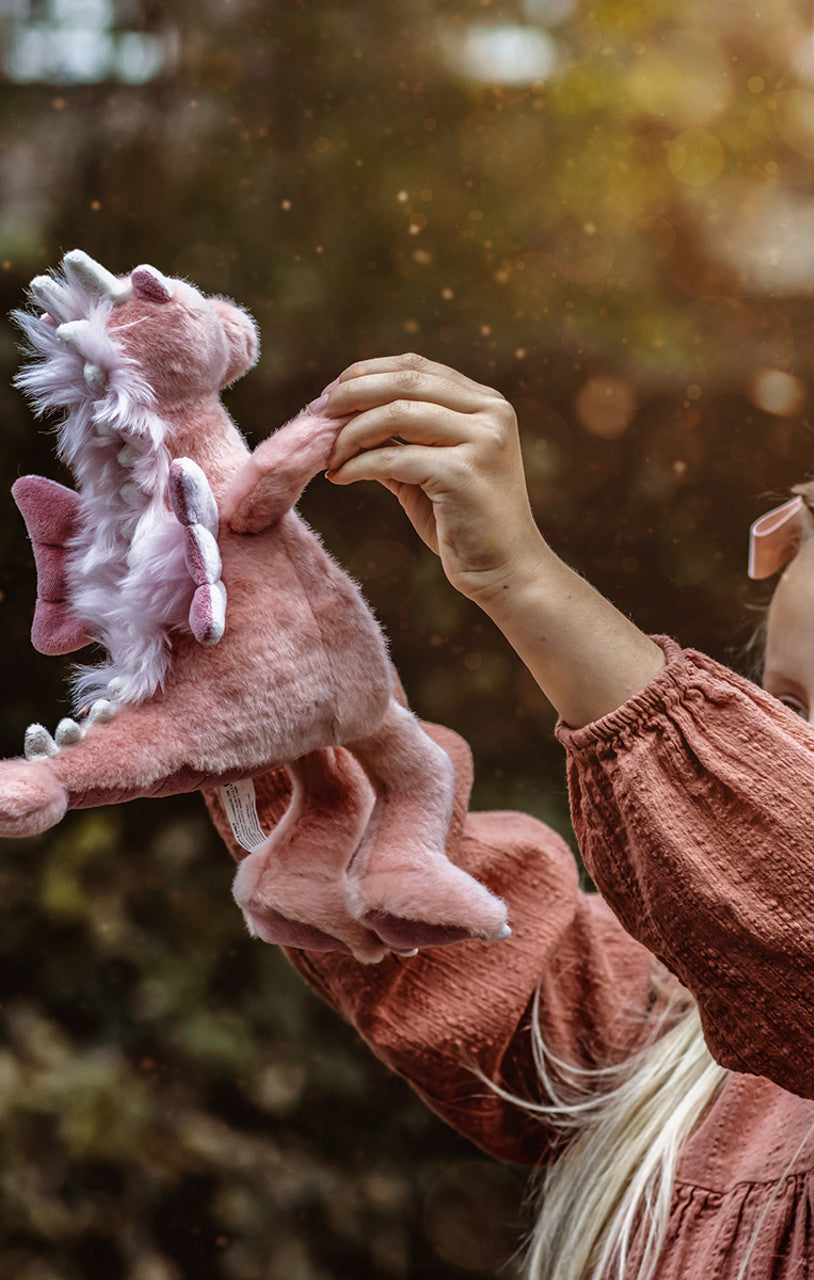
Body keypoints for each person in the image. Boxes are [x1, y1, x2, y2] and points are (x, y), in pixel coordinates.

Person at [207, 354, 814, 1280]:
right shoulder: (685, 1024)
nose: (774, 760)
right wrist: (248, 630)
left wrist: (528, 583)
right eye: (784, 712)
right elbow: (479, 953)